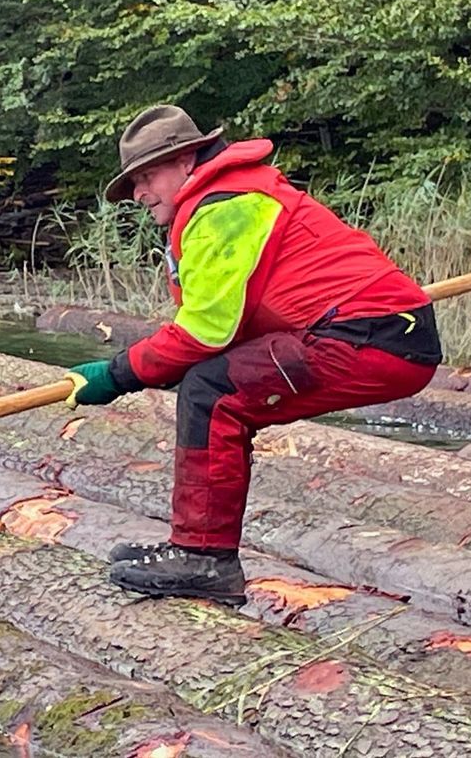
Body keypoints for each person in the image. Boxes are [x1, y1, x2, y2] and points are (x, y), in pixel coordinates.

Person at [63, 105, 441, 604]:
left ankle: (204, 558)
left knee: (212, 392)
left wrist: (114, 375)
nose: (137, 194)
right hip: (374, 330)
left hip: (372, 336)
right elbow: (220, 328)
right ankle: (199, 550)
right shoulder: (228, 197)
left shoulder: (226, 207)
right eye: (133, 183)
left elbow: (204, 333)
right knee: (210, 381)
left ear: (185, 160)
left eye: (146, 177)